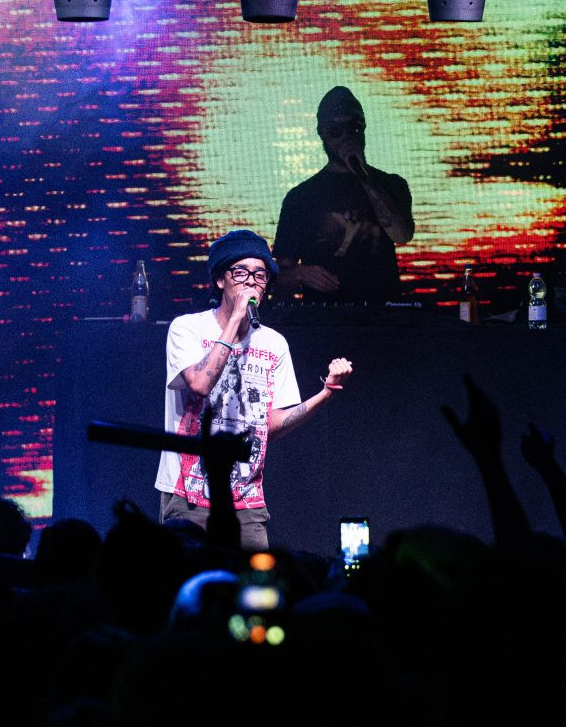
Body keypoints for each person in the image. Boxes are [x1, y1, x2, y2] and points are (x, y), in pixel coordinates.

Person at [156, 230, 352, 551]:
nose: (251, 282)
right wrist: (235, 320)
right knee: (190, 577)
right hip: (188, 493)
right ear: (220, 280)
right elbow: (200, 383)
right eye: (241, 273)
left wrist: (326, 393)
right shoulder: (188, 328)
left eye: (260, 275)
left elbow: (270, 425)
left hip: (246, 502)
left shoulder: (274, 344)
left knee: (254, 581)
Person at [273, 85, 414, 303]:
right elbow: (280, 278)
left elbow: (402, 234)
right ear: (322, 133)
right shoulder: (300, 198)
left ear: (363, 127)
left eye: (353, 129)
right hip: (326, 316)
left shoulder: (391, 184)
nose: (345, 138)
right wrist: (300, 273)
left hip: (383, 314)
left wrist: (363, 176)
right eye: (335, 131)